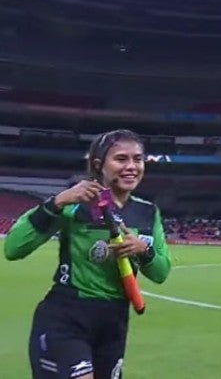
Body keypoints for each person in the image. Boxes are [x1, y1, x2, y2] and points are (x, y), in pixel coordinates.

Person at [4, 129, 171, 379]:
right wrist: (56, 203)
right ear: (98, 164)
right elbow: (13, 248)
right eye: (121, 159)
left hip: (114, 321)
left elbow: (161, 273)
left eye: (138, 159)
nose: (132, 166)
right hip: (68, 315)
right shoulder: (75, 204)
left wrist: (143, 250)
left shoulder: (147, 213)